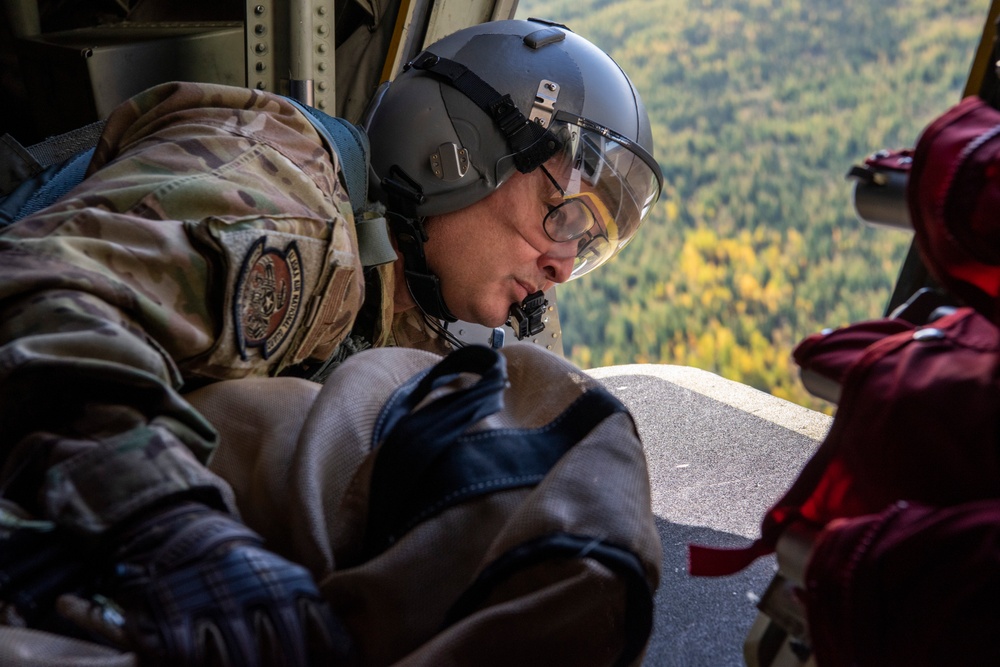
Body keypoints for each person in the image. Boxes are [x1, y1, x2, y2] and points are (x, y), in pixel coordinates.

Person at [0, 17, 662, 666]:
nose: (564, 264)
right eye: (568, 212)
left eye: (588, 240)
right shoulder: (283, 187)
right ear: (460, 150)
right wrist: (171, 526)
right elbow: (39, 293)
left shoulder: (410, 305)